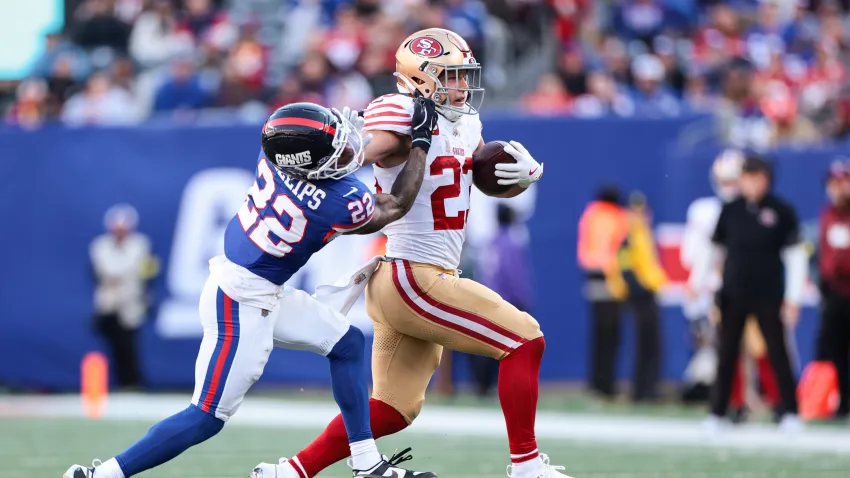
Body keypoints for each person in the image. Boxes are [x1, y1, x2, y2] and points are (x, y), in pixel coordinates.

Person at [254, 28, 572, 478]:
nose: (463, 86)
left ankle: (290, 472)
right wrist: (351, 151)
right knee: (524, 339)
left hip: (416, 278)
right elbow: (361, 155)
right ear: (421, 79)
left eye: (465, 75)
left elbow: (473, 174)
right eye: (453, 75)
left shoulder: (464, 120)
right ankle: (525, 465)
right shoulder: (401, 111)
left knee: (393, 409)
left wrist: (520, 175)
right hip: (414, 275)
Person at [63, 100, 439, 478]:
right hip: (242, 302)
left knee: (347, 343)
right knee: (206, 416)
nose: (347, 147)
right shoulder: (338, 201)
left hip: (257, 284)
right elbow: (395, 204)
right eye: (335, 145)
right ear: (312, 164)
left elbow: (312, 154)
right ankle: (101, 475)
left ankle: (365, 462)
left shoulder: (273, 155)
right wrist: (420, 141)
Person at [689, 154, 808, 433]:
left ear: (767, 179)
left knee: (778, 353)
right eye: (747, 177)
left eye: (757, 177)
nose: (752, 184)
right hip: (733, 293)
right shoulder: (730, 210)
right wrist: (697, 280)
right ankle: (718, 413)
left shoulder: (781, 211)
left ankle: (790, 412)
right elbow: (714, 248)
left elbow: (795, 256)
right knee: (727, 354)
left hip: (768, 294)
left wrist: (793, 297)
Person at [89, 204, 156, 390]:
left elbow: (145, 271)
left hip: (132, 302)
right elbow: (108, 270)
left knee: (131, 345)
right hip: (108, 303)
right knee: (113, 344)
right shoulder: (100, 246)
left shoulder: (141, 244)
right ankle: (118, 382)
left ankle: (133, 382)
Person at [473, 204, 534, 398]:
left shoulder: (492, 242)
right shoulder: (511, 243)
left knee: (490, 345)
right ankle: (504, 385)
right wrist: (522, 298)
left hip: (489, 297)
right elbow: (515, 275)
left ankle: (484, 385)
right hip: (507, 300)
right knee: (511, 346)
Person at [577, 186, 629, 398]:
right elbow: (619, 251)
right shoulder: (617, 217)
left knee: (597, 334)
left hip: (592, 279)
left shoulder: (589, 215)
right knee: (611, 336)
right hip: (612, 280)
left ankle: (595, 383)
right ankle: (607, 385)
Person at [815, 159, 850, 420]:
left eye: (843, 182)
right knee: (836, 350)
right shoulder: (827, 214)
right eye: (834, 183)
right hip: (835, 293)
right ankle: (843, 401)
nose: (838, 188)